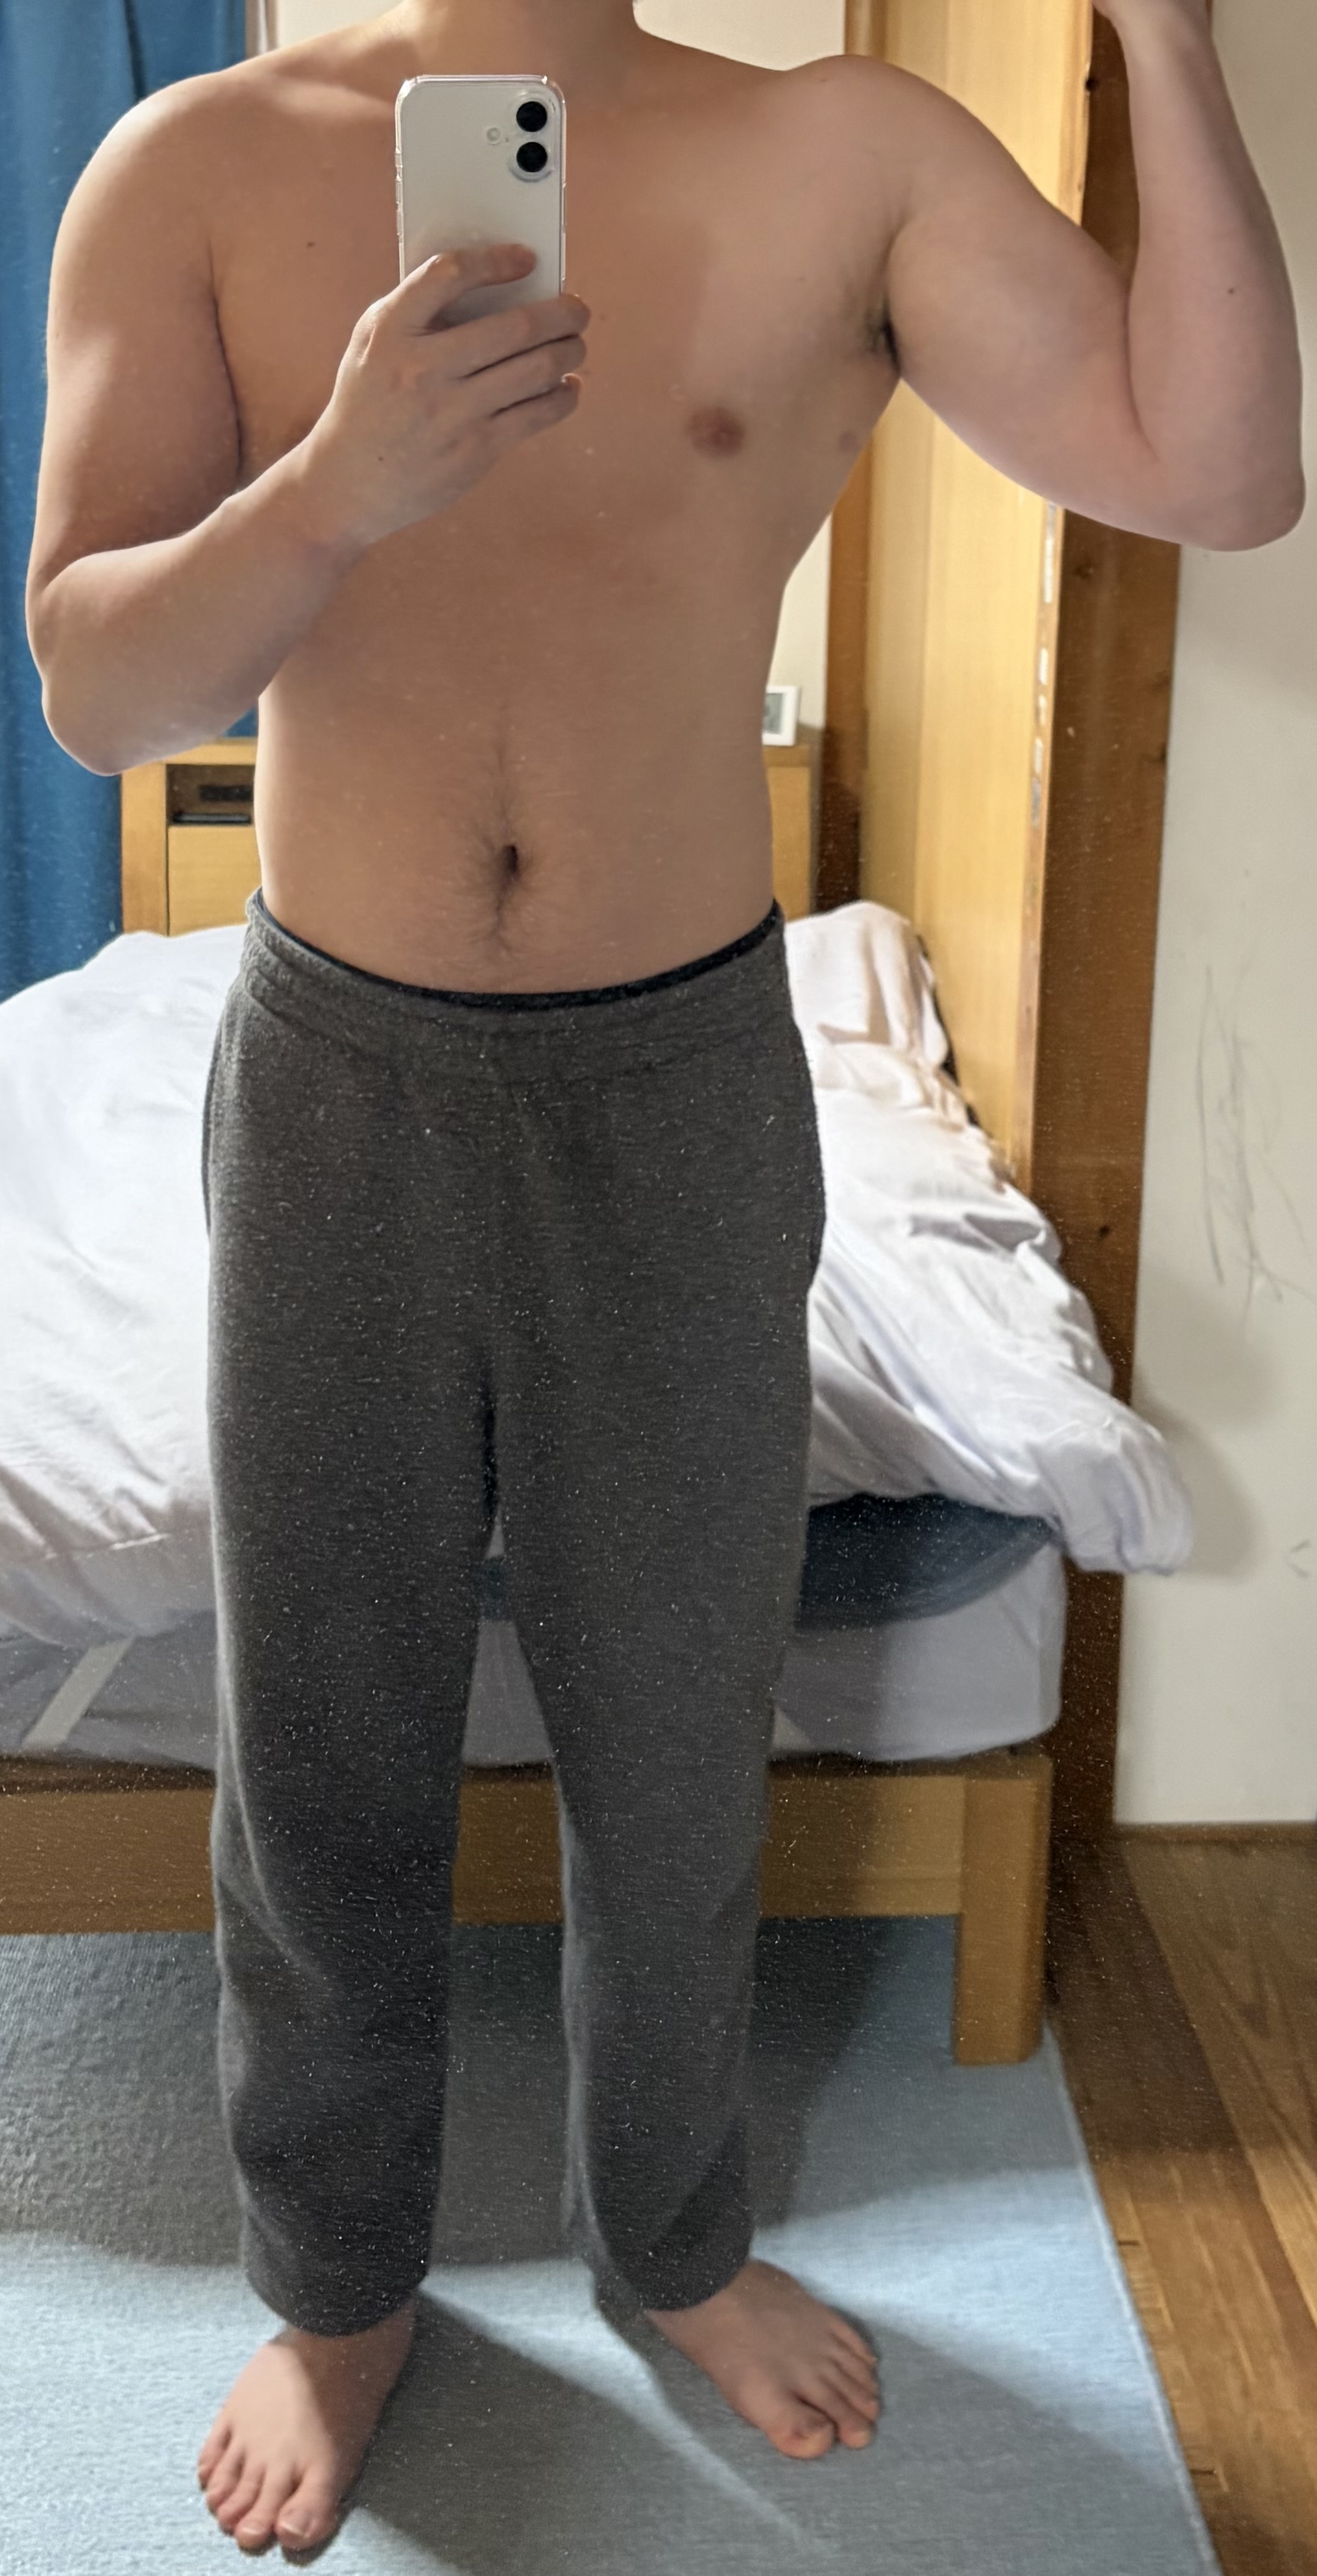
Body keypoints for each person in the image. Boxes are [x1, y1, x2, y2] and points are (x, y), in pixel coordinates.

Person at [25, 0, 1301, 2555]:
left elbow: (1220, 466)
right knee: (326, 1724)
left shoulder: (848, 153)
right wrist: (335, 490)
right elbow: (94, 687)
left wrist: (1167, 35)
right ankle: (337, 2284)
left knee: (678, 1704)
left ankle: (676, 2238)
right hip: (344, 1077)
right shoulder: (186, 165)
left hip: (686, 1084)